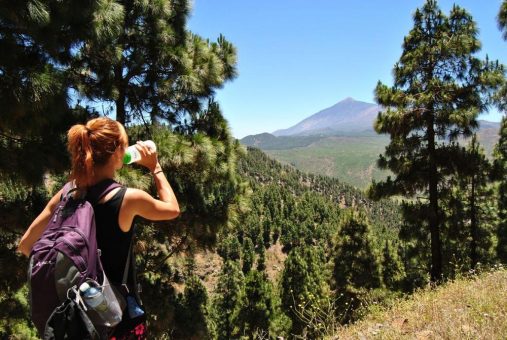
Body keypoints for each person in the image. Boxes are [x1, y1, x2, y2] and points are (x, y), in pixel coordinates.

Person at [17, 117, 180, 339]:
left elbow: (27, 245)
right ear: (117, 152)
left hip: (74, 323)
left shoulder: (67, 193)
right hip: (116, 322)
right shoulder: (127, 199)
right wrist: (155, 167)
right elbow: (172, 209)